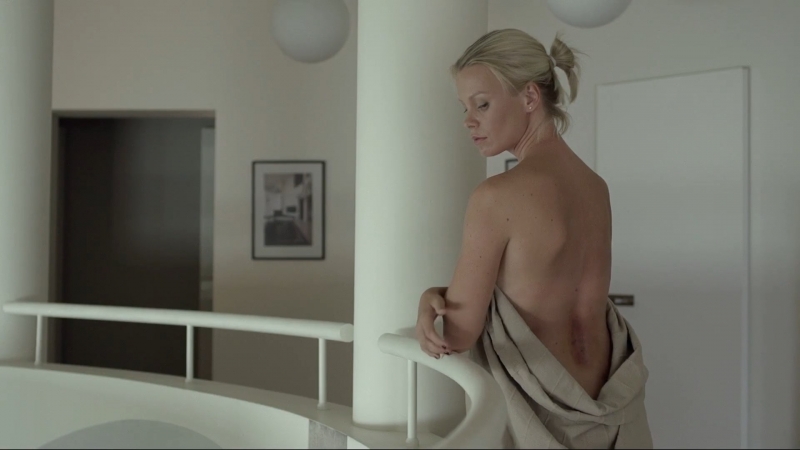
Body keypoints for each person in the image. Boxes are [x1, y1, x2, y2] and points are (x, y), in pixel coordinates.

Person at [414, 29, 653, 449]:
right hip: (614, 404)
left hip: (544, 419)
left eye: (482, 104)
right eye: (464, 107)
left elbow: (457, 335)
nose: (468, 120)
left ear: (529, 97)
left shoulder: (496, 197)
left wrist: (428, 300)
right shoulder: (595, 187)